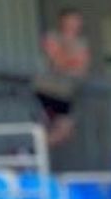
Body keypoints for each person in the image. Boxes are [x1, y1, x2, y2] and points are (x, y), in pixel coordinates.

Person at [35, 8, 90, 147]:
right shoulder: (51, 37)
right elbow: (57, 62)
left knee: (65, 131)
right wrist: (71, 62)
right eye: (71, 21)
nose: (74, 25)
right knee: (44, 127)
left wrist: (70, 63)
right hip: (47, 90)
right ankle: (29, 152)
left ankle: (29, 151)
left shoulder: (81, 42)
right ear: (63, 21)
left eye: (77, 21)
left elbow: (82, 68)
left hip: (66, 92)